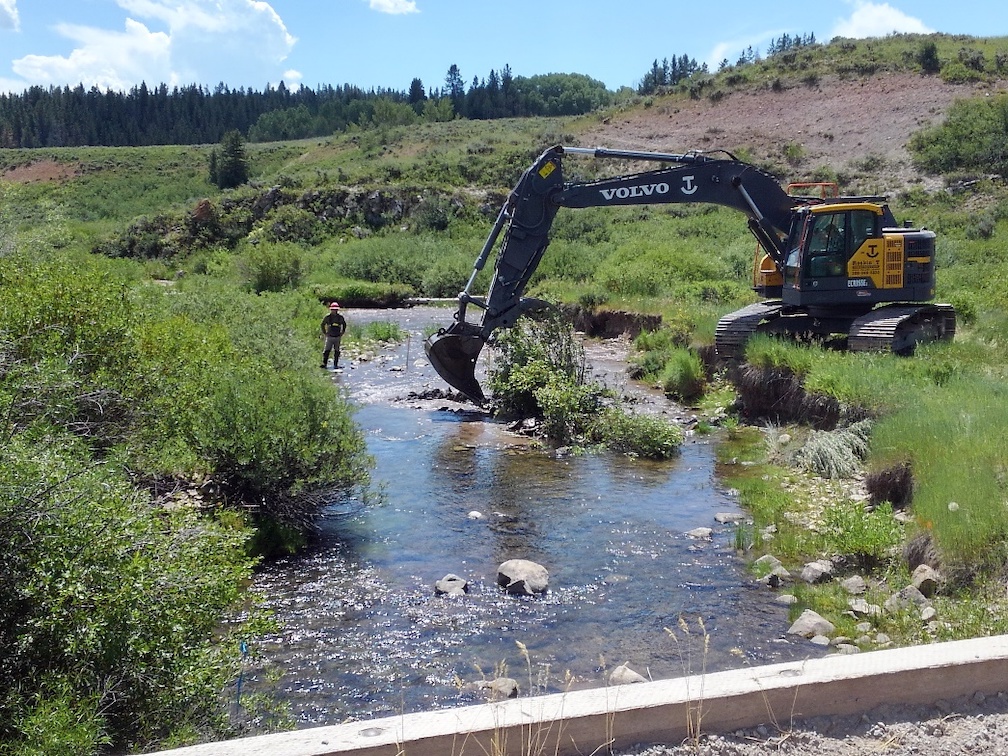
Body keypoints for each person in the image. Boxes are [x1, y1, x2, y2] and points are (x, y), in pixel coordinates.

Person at [320, 302, 347, 369]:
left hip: (337, 337)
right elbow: (322, 324)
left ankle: (335, 364)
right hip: (329, 337)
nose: (334, 310)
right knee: (327, 350)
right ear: (331, 309)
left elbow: (344, 324)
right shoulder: (327, 317)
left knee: (337, 351)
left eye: (335, 309)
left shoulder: (340, 317)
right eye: (333, 309)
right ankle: (324, 364)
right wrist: (325, 333)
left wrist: (342, 332)